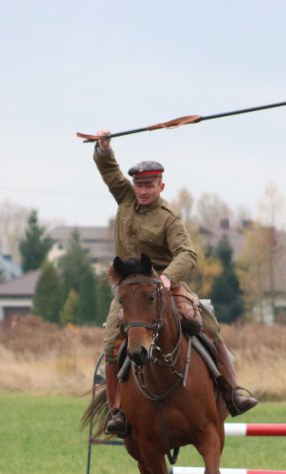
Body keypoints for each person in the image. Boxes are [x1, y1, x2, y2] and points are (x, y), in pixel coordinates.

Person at [92, 131, 258, 436]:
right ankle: (117, 412)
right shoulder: (125, 198)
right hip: (129, 290)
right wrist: (104, 148)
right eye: (139, 185)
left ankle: (232, 390)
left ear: (161, 186)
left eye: (149, 186)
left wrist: (167, 277)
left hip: (163, 284)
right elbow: (109, 172)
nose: (143, 191)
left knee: (207, 323)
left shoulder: (169, 218)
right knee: (110, 341)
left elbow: (188, 252)